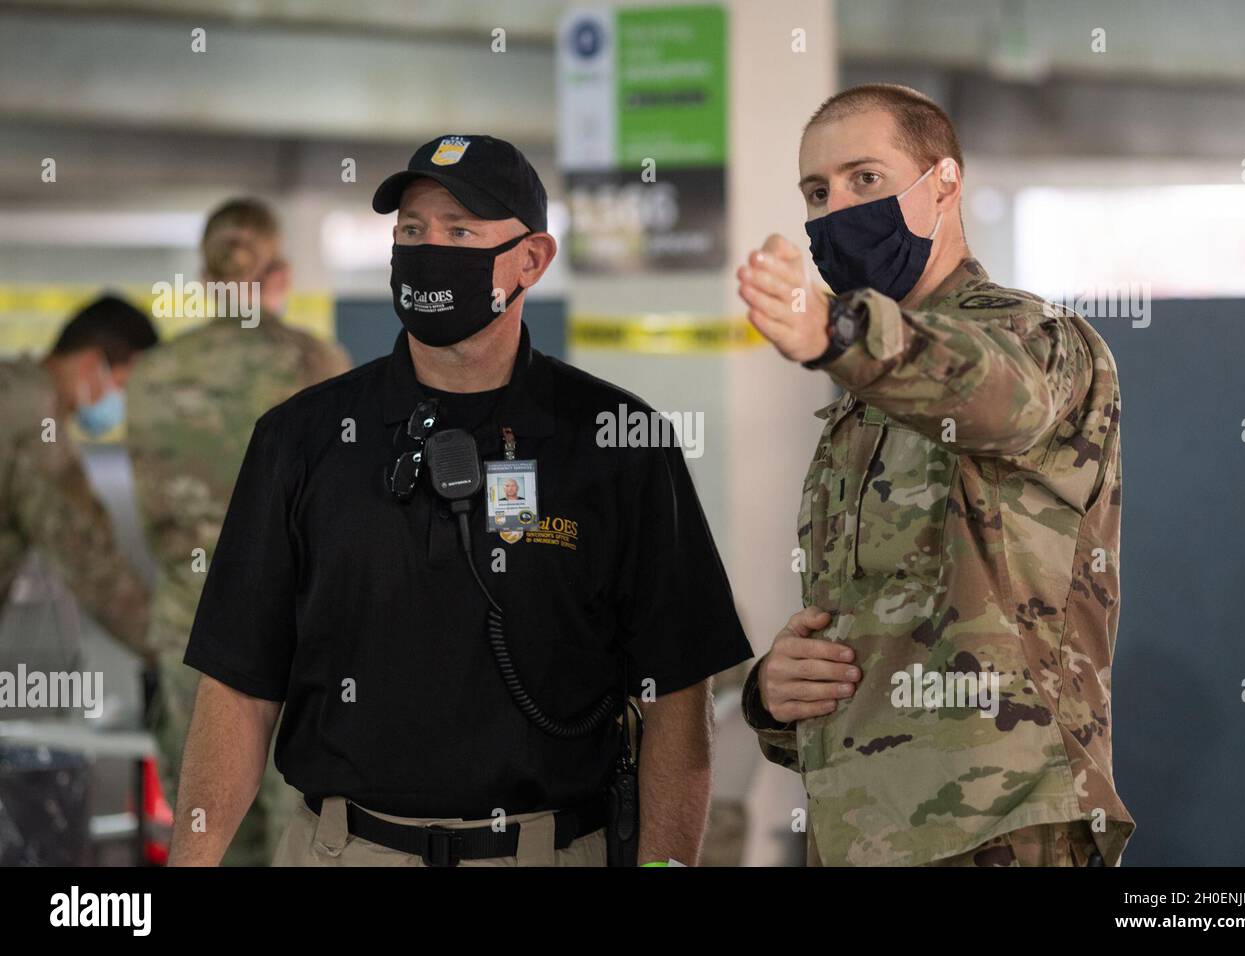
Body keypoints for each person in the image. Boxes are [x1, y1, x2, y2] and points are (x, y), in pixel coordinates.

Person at [167, 134, 752, 867]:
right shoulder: (299, 438)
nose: (428, 249)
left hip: (551, 850)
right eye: (412, 230)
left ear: (533, 259)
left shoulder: (619, 441)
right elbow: (238, 688)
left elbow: (677, 695)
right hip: (342, 850)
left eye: (460, 231)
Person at [736, 84, 1131, 867]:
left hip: (999, 827)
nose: (835, 207)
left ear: (943, 182)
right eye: (817, 192)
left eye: (866, 179)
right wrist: (776, 694)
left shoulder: (1036, 338)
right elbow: (869, 624)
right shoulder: (859, 397)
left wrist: (836, 332)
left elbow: (997, 395)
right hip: (858, 831)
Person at [126, 198, 351, 866]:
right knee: (298, 828)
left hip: (186, 630)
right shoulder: (316, 363)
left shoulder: (150, 375)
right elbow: (339, 508)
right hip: (292, 634)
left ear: (203, 280)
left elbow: (152, 515)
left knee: (204, 828)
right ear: (278, 276)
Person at [0, 295, 157, 658]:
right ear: (91, 364)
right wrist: (186, 654)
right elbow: (87, 558)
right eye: (124, 387)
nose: (125, 405)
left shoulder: (14, 387)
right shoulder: (36, 419)